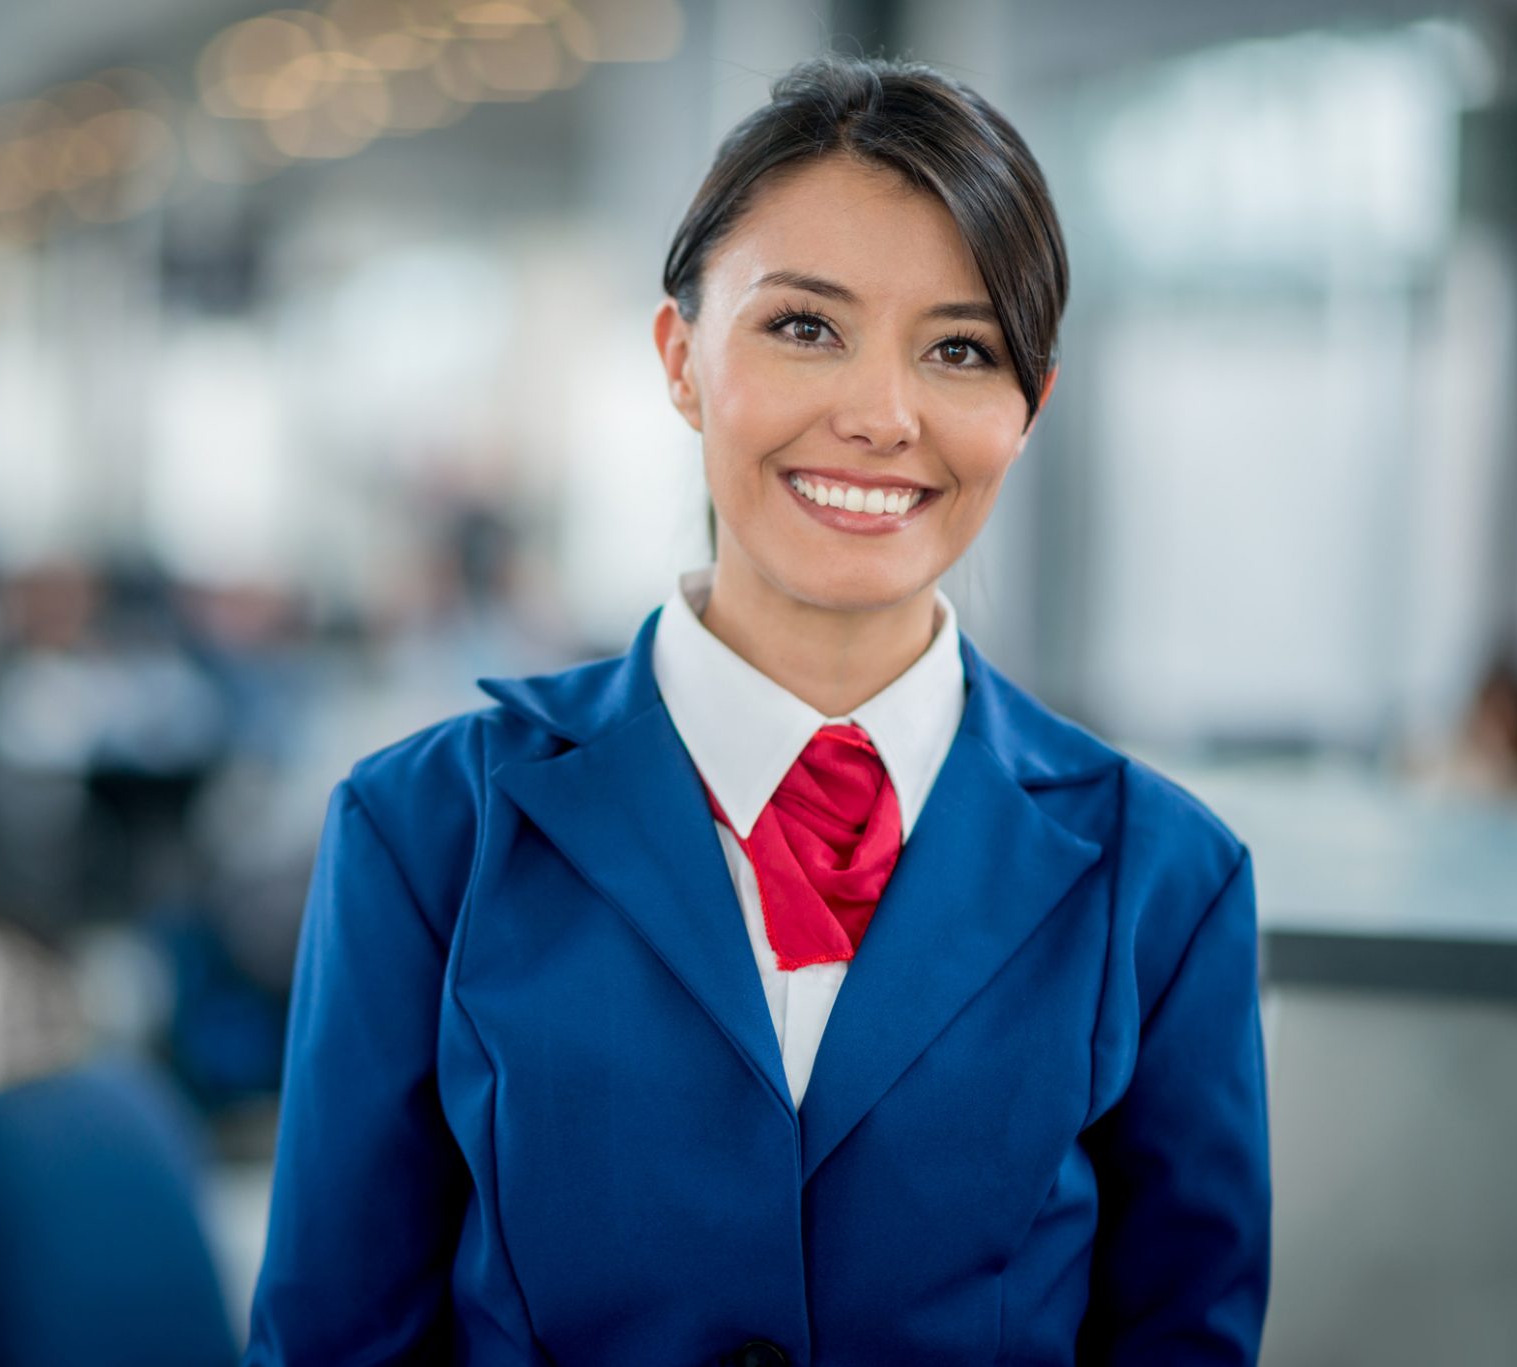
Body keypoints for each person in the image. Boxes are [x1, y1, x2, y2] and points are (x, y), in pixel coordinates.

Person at [245, 54, 1269, 1367]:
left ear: (1029, 413)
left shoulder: (1164, 883)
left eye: (960, 350)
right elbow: (335, 1344)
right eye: (803, 327)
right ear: (680, 359)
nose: (880, 415)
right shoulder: (425, 835)